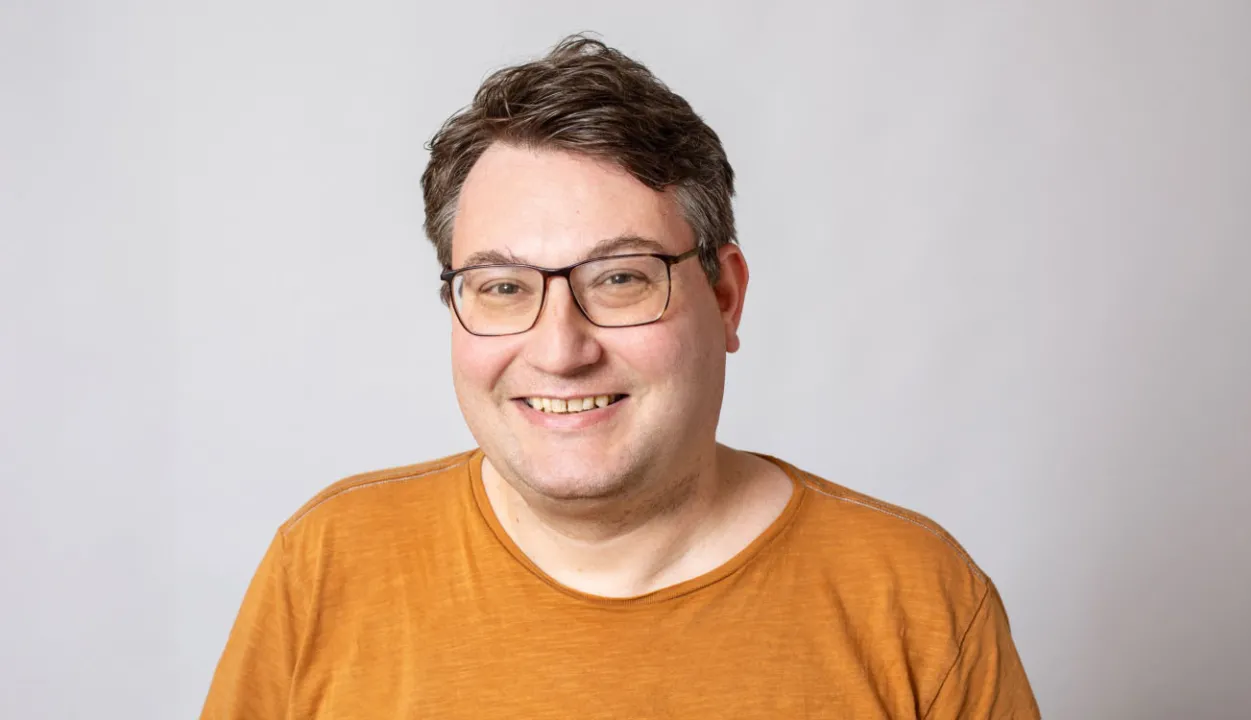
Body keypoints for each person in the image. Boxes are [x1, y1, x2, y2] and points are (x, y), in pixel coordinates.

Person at [201, 35, 1039, 719]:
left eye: (620, 278)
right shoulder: (327, 566)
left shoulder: (915, 602)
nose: (560, 349)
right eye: (502, 287)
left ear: (725, 296)